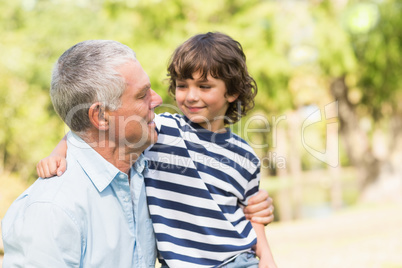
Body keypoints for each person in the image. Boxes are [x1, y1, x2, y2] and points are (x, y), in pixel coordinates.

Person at [36, 32, 276, 268]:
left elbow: (255, 214)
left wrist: (266, 257)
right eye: (183, 85)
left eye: (205, 86)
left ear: (232, 92)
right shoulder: (162, 130)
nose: (191, 96)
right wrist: (57, 154)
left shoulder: (245, 156)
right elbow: (81, 132)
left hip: (236, 260)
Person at [2, 40, 163, 267]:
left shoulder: (144, 166)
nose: (157, 100)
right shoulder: (53, 210)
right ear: (100, 117)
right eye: (142, 95)